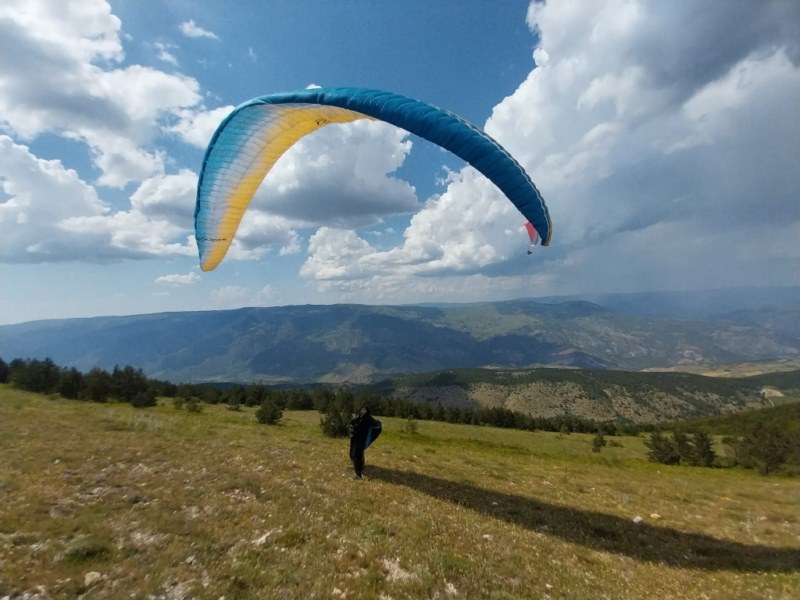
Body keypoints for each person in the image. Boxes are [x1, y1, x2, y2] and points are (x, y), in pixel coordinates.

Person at [349, 407, 381, 479]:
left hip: (361, 440)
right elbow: (354, 425)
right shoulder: (360, 418)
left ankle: (358, 475)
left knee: (356, 455)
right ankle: (361, 467)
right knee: (354, 455)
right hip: (356, 439)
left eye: (364, 411)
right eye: (362, 411)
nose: (363, 412)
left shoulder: (368, 419)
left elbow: (377, 426)